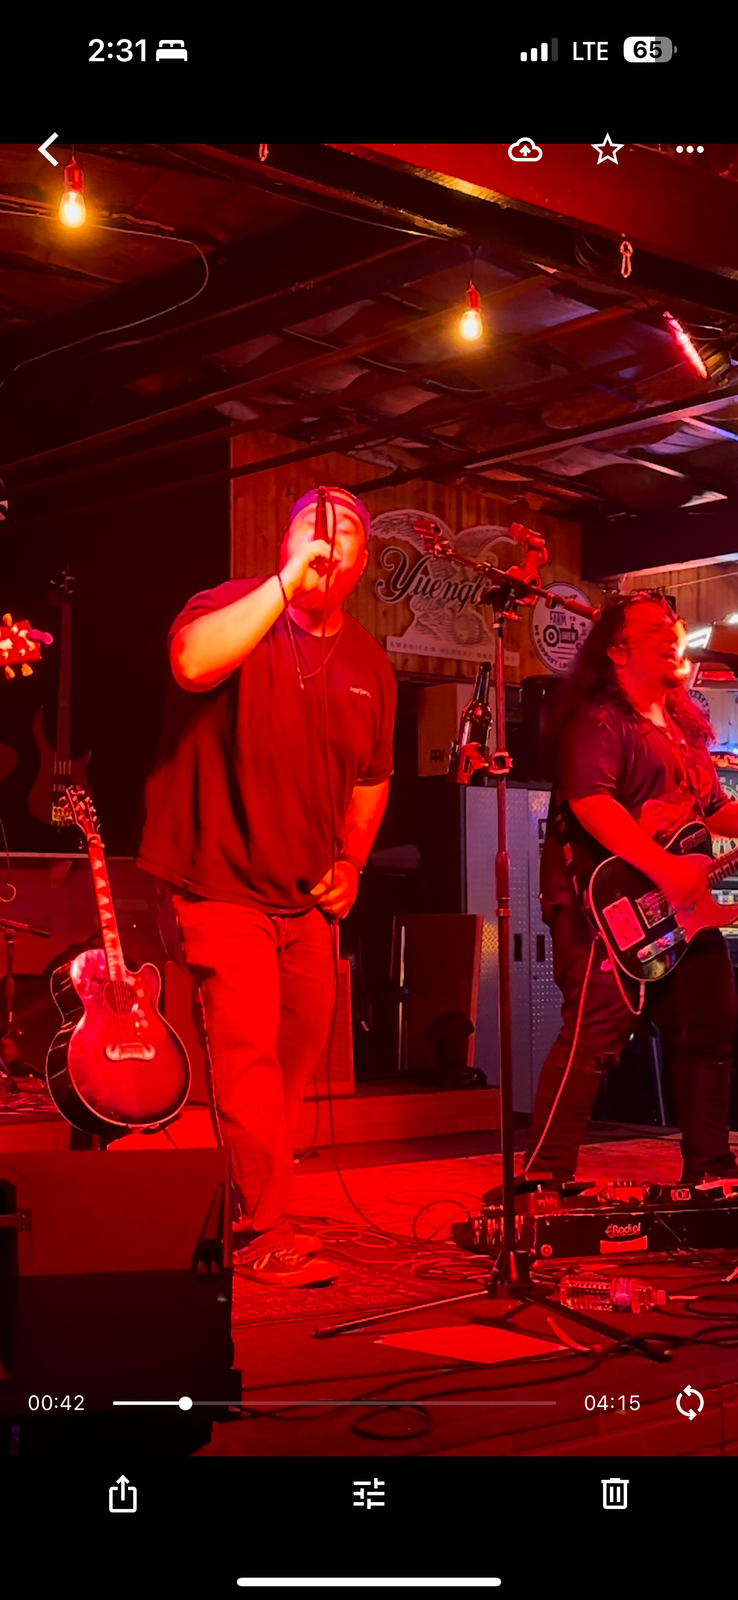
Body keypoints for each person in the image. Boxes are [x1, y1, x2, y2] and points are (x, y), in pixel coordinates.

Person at [137, 486, 397, 1285]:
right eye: (311, 525)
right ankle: (265, 1227)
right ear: (285, 544)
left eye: (344, 531)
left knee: (291, 1066)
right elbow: (192, 664)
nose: (326, 538)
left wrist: (351, 863)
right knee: (246, 1059)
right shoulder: (229, 605)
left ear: (361, 563)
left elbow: (373, 779)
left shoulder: (370, 663)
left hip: (305, 900)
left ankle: (246, 1204)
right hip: (216, 881)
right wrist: (284, 586)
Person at [523, 591, 738, 1186]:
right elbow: (591, 803)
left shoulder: (683, 728)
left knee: (708, 1029)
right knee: (593, 1036)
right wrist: (666, 869)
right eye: (654, 631)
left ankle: (710, 1171)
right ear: (617, 651)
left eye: (674, 626)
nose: (674, 635)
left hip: (683, 911)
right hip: (604, 908)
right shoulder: (600, 719)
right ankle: (543, 1179)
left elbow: (713, 811)